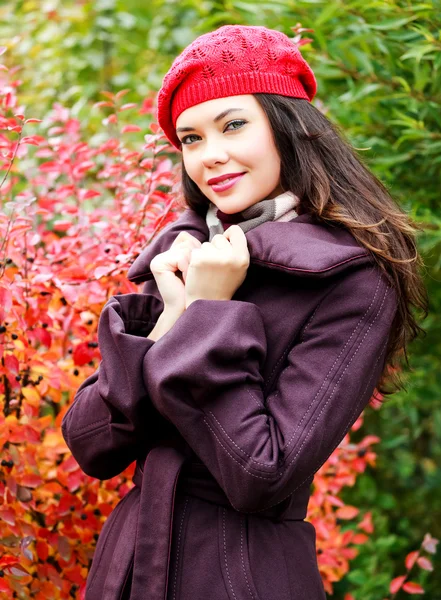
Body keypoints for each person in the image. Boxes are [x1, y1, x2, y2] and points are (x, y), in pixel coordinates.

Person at [61, 24, 428, 600]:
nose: (212, 156)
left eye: (233, 125)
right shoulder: (184, 255)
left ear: (288, 127)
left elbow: (263, 473)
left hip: (240, 576)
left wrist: (207, 314)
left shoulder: (353, 280)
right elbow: (92, 444)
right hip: (129, 568)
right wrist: (168, 322)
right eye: (191, 138)